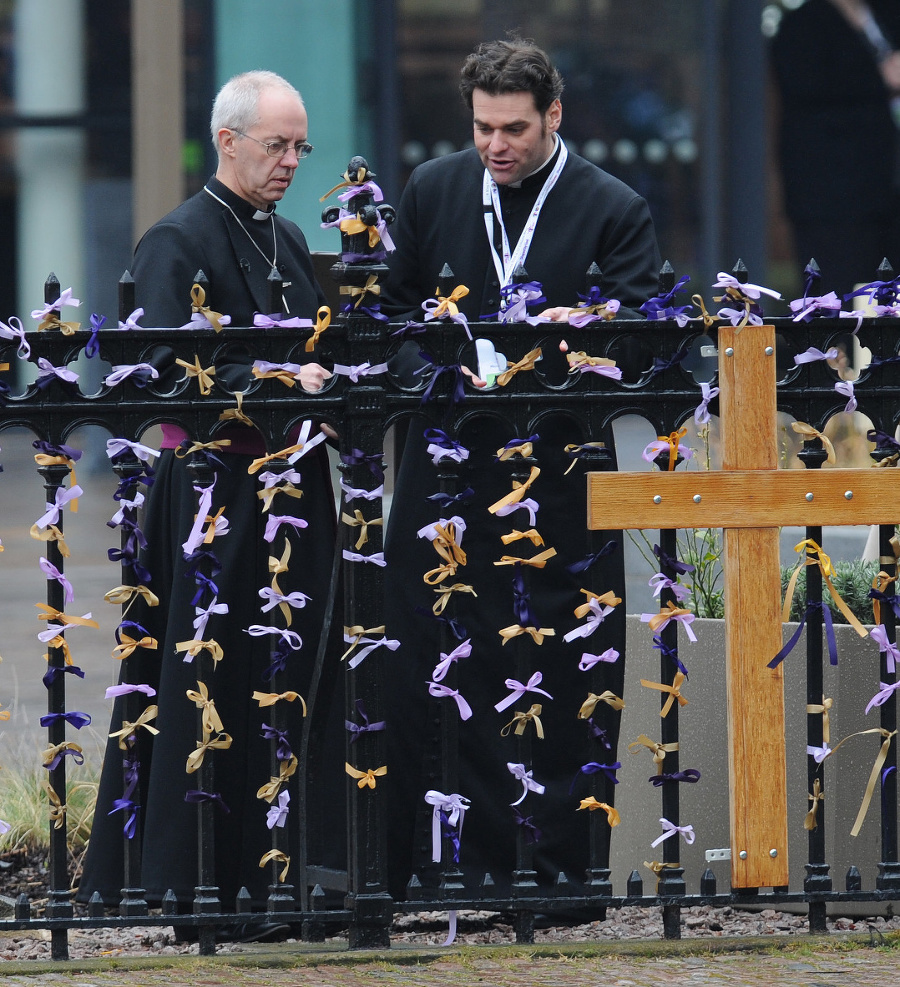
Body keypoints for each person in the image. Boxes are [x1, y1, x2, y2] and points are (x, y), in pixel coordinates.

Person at [381, 39, 661, 898]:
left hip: (559, 469)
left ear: (555, 117)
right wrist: (434, 368)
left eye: (514, 129)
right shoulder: (433, 188)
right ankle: (438, 866)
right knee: (435, 650)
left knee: (563, 667)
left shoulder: (612, 206)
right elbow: (387, 319)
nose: (496, 146)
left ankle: (552, 871)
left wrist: (590, 336)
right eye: (482, 128)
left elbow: (648, 341)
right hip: (448, 458)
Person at [79, 71, 340, 932]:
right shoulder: (176, 240)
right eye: (277, 145)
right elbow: (157, 378)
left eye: (300, 146)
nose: (292, 161)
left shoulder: (291, 239)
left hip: (290, 495)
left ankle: (285, 876)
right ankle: (201, 883)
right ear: (226, 140)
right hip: (211, 501)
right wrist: (272, 378)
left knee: (289, 680)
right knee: (209, 682)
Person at [771, 0, 900, 297]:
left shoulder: (887, 14)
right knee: (840, 303)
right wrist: (881, 80)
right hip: (835, 202)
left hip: (888, 195)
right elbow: (807, 90)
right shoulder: (802, 26)